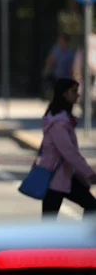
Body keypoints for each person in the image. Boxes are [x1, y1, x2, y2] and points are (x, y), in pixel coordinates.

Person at [39, 78, 96, 216]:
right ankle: (86, 236)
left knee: (92, 206)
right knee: (48, 223)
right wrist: (89, 172)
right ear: (64, 94)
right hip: (55, 177)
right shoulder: (59, 122)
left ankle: (86, 236)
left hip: (64, 176)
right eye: (74, 91)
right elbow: (69, 152)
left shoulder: (62, 119)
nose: (77, 95)